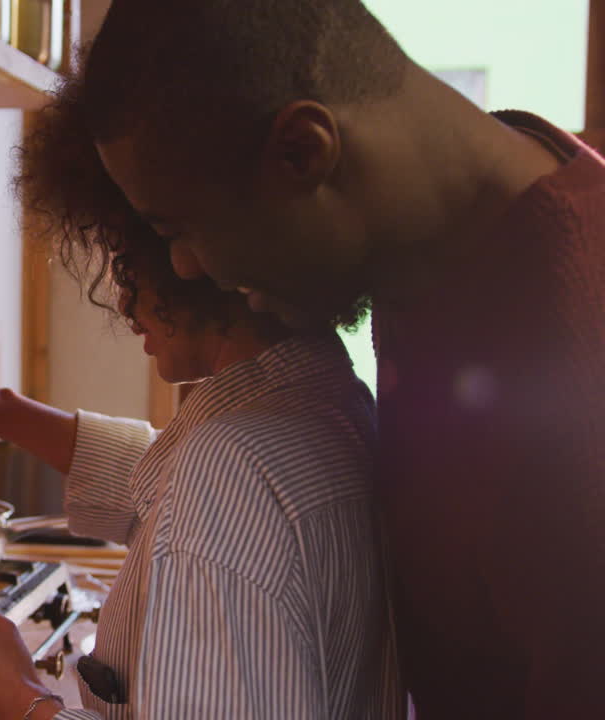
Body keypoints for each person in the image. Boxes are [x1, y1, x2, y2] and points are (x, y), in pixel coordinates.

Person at [73, 1, 605, 717]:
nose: (186, 267)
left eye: (183, 227)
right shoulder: (430, 243)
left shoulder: (576, 371)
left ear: (302, 152)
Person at [0, 219, 401, 716]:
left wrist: (14, 701)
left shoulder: (232, 466)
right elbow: (167, 489)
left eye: (133, 260)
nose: (124, 302)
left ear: (205, 255)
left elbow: (209, 499)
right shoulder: (329, 402)